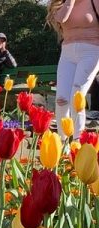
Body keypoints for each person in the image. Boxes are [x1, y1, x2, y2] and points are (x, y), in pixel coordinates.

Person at [47, 0, 99, 137]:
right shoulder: (61, 3)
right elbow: (61, 18)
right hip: (67, 53)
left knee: (77, 96)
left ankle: (77, 140)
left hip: (91, 51)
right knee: (61, 98)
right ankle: (63, 143)